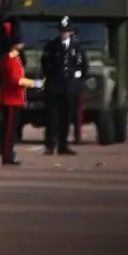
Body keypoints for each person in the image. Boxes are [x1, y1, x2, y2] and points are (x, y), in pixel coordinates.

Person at [40, 18, 86, 156]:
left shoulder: (77, 46)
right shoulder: (52, 45)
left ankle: (63, 145)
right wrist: (51, 76)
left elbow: (83, 64)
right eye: (61, 31)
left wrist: (77, 78)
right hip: (54, 86)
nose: (63, 34)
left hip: (70, 87)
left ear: (70, 32)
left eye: (66, 31)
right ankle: (50, 145)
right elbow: (45, 63)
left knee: (66, 117)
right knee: (52, 117)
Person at [0, 23, 38, 165]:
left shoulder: (15, 57)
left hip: (15, 99)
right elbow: (15, 80)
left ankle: (9, 153)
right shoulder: (10, 58)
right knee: (9, 131)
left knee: (12, 130)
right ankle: (7, 155)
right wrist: (33, 83)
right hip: (11, 99)